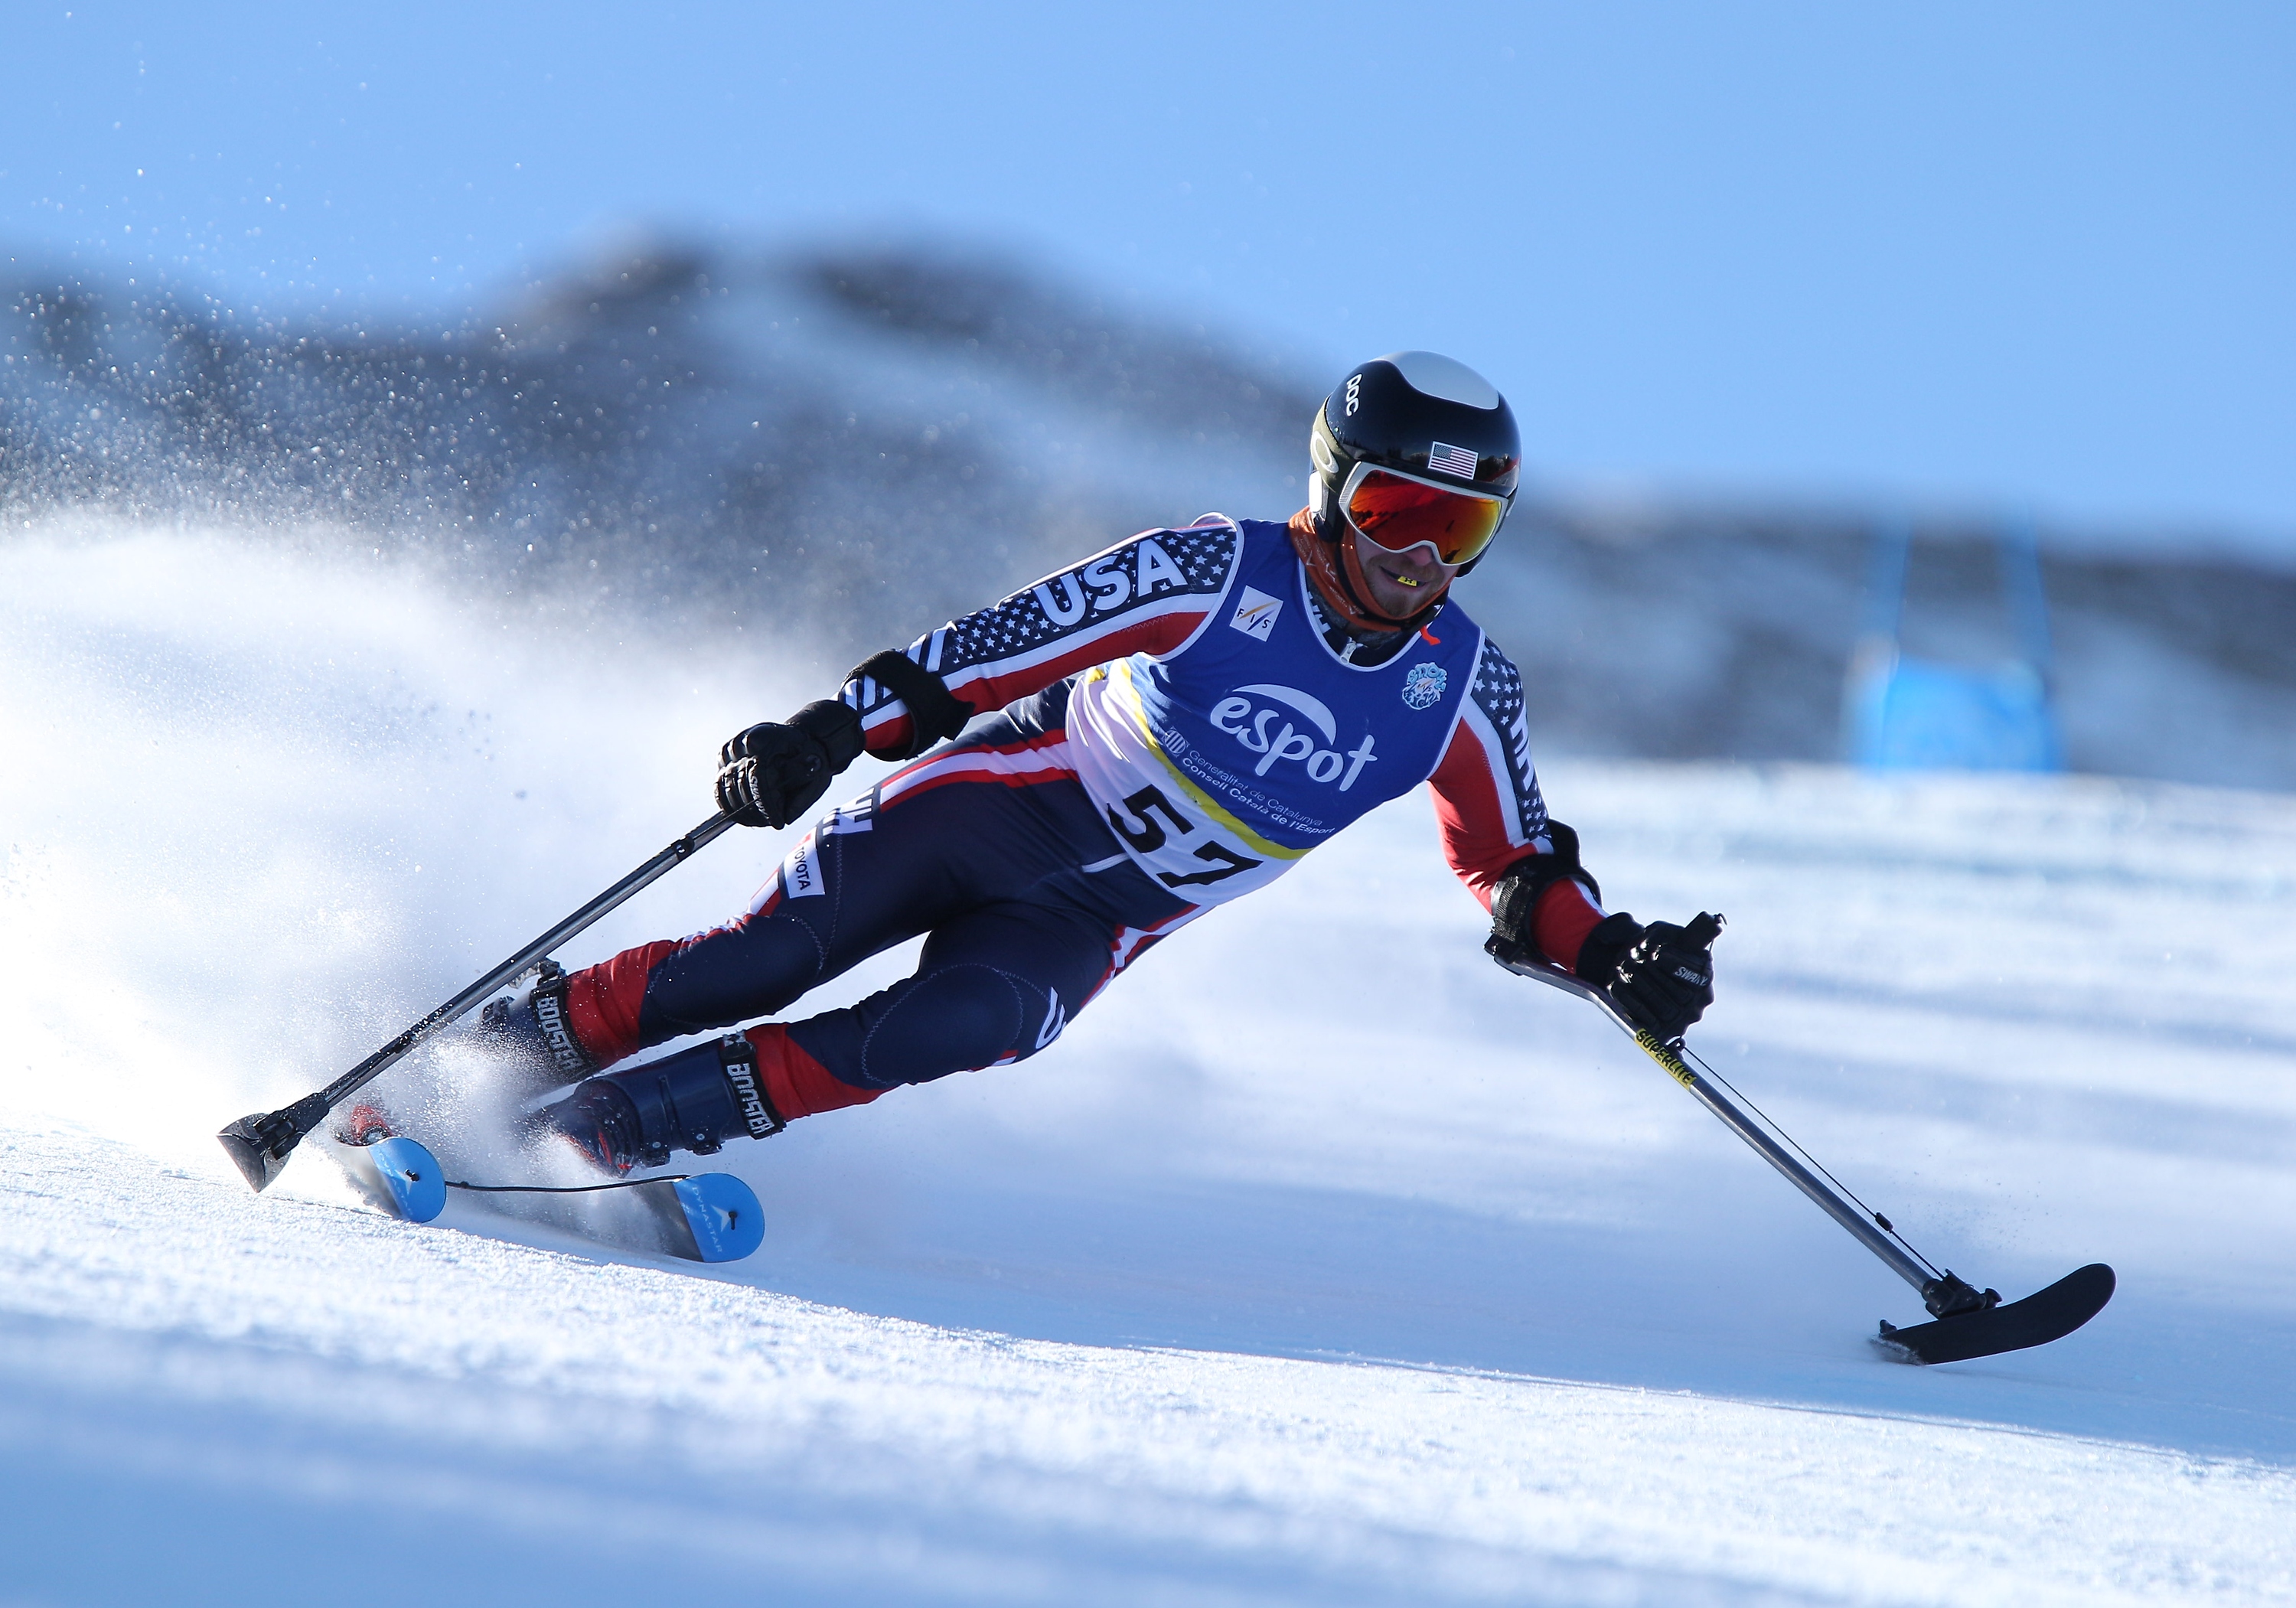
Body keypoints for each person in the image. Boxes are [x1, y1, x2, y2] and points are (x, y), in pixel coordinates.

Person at [478, 352, 1720, 1174]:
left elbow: (1512, 863)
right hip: (988, 812)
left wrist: (1611, 950)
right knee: (762, 959)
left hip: (1094, 919)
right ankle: (504, 1052)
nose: (1420, 561)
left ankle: (607, 1134)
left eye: (1461, 530)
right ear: (1336, 491)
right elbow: (993, 646)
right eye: (1398, 514)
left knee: (966, 1023)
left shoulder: (1461, 685)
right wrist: (827, 731)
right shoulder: (1216, 570)